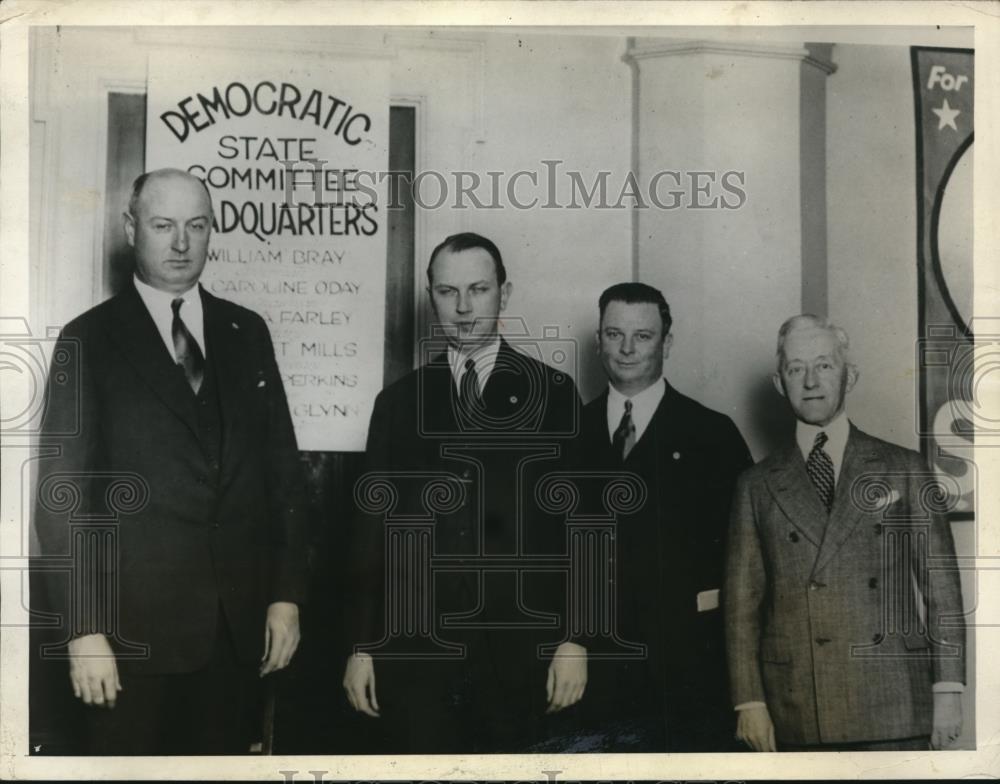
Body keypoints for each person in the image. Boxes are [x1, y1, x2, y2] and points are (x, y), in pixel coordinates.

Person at [33, 168, 308, 754]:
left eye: (196, 226)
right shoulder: (88, 341)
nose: (181, 243)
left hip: (238, 639)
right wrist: (84, 631)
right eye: (163, 225)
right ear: (131, 228)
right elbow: (62, 500)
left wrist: (286, 597)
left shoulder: (247, 332)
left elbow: (283, 477)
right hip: (128, 643)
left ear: (212, 231)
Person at [341, 232, 582, 752]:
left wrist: (576, 639)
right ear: (431, 297)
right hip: (415, 656)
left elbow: (581, 528)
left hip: (521, 655)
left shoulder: (555, 395)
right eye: (448, 292)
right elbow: (368, 538)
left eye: (479, 289)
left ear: (505, 292)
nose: (464, 307)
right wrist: (361, 647)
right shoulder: (398, 404)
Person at [724, 314, 966, 751]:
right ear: (779, 382)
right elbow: (742, 606)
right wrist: (749, 701)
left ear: (849, 376)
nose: (811, 381)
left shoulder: (903, 468)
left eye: (825, 365)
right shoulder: (755, 485)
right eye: (796, 369)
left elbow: (942, 590)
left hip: (894, 700)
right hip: (796, 705)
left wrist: (948, 690)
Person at [559, 282, 752, 751]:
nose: (626, 350)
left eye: (642, 336)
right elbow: (548, 555)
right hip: (591, 674)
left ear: (666, 342)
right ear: (599, 341)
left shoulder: (712, 434)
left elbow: (747, 560)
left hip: (687, 672)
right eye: (614, 334)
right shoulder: (565, 435)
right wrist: (569, 639)